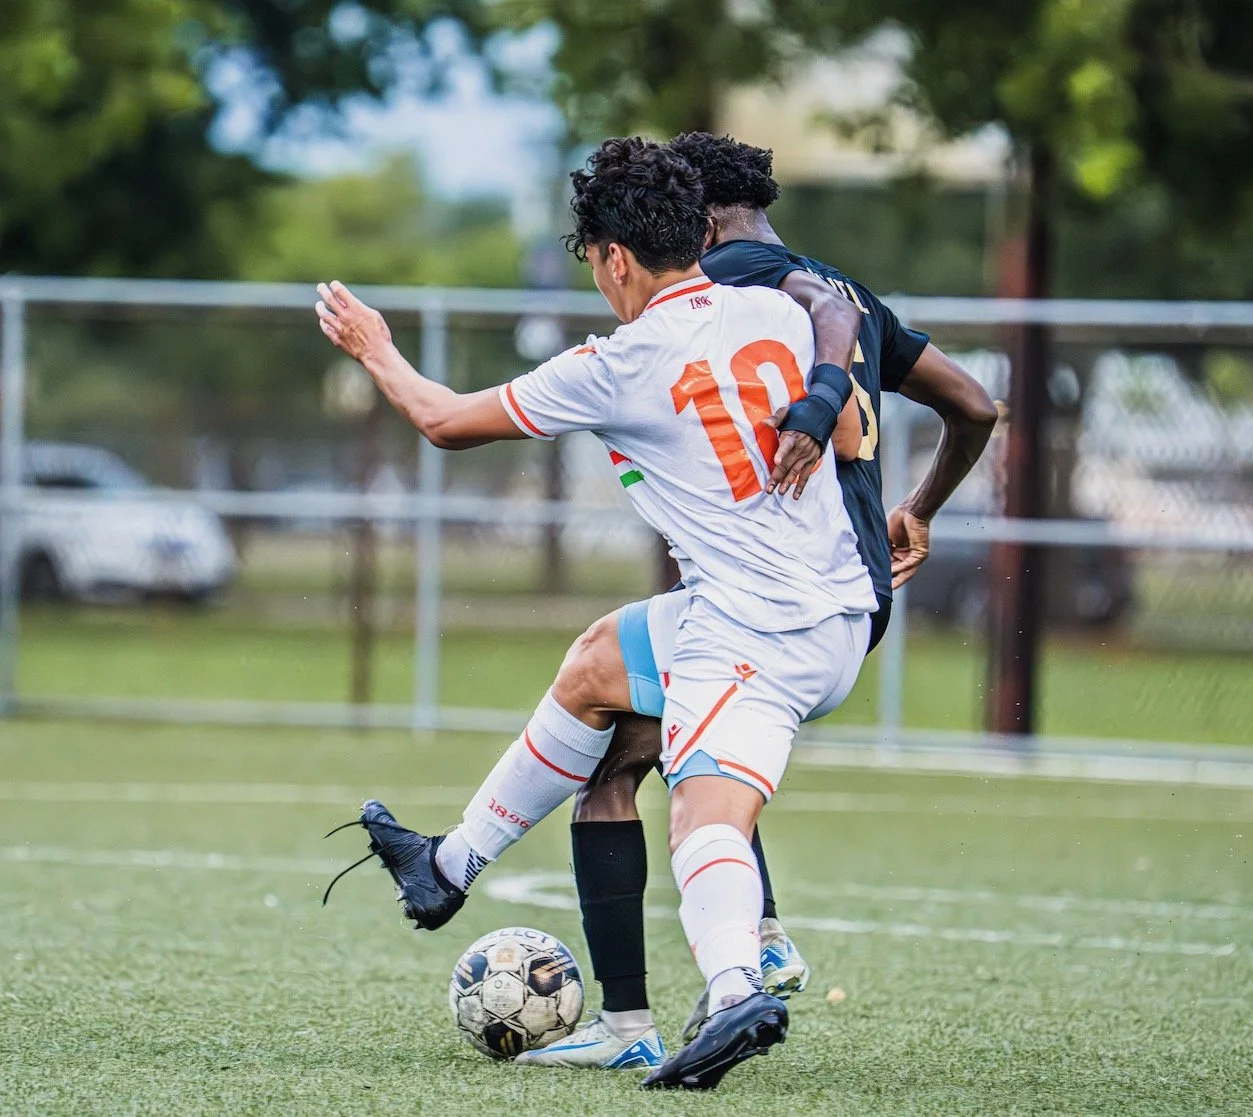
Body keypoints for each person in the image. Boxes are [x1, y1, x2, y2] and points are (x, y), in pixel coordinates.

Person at [318, 136, 881, 1090]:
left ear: (615, 257)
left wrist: (376, 347)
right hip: (835, 610)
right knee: (596, 670)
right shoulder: (771, 310)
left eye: (593, 265)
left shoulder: (617, 362)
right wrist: (825, 394)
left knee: (706, 815)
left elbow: (446, 421)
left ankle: (741, 982)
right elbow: (838, 311)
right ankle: (449, 866)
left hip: (755, 634)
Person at [518, 132, 998, 1069]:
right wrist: (917, 512)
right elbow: (975, 405)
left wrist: (821, 406)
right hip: (853, 591)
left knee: (625, 765)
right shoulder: (842, 284)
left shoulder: (716, 285)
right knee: (656, 747)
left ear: (690, 218)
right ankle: (742, 948)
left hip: (776, 598)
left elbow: (820, 394)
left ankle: (690, 994)